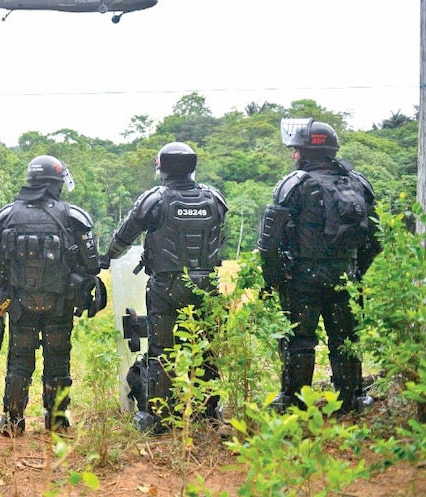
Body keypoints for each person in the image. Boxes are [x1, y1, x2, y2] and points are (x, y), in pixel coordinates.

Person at [102, 142, 228, 435]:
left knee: (162, 351)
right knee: (206, 348)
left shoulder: (155, 200)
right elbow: (219, 238)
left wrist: (107, 257)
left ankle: (159, 417)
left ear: (162, 168)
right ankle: (208, 411)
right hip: (206, 284)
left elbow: (123, 236)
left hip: (166, 285)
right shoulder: (214, 199)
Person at [257, 118, 381, 414]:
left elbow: (269, 243)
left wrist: (275, 279)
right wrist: (355, 271)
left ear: (305, 153)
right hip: (346, 274)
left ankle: (294, 402)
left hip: (303, 277)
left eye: (296, 150)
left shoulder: (294, 184)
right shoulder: (359, 183)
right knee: (346, 338)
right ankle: (351, 400)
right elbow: (376, 240)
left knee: (299, 341)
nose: (293, 154)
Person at [0, 155, 102, 437]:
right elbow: (92, 264)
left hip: (20, 304)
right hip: (60, 304)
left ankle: (13, 422)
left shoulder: (7, 215)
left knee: (19, 361)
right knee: (58, 360)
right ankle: (57, 421)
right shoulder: (73, 216)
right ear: (55, 183)